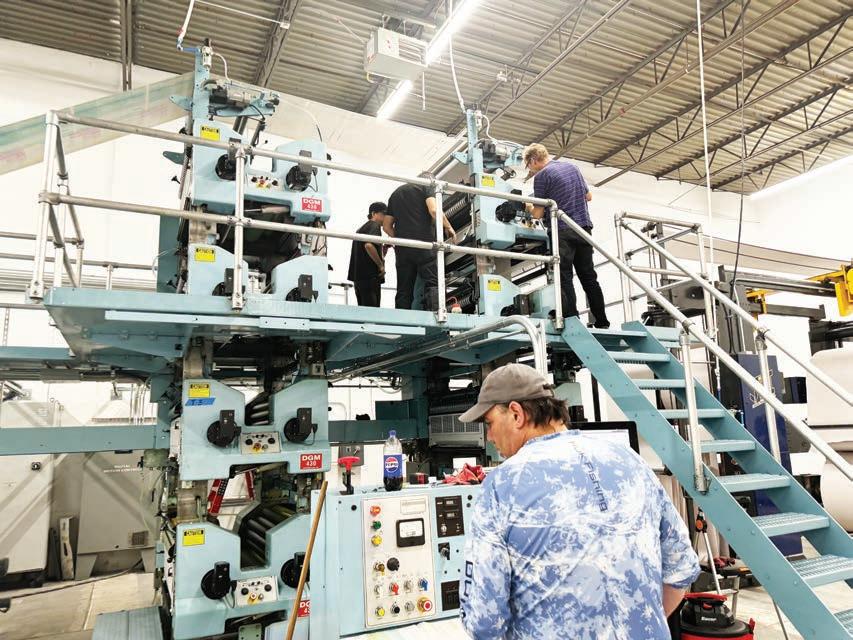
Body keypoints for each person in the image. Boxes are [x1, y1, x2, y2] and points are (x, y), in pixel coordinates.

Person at [458, 363, 699, 640]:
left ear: (516, 414)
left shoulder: (502, 485)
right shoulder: (630, 460)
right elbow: (680, 570)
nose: (489, 436)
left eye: (489, 423)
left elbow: (484, 621)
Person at [523, 143, 610, 328]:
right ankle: (602, 321)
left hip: (562, 230)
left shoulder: (542, 176)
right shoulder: (572, 167)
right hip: (583, 228)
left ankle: (572, 320)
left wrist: (528, 206)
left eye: (528, 165)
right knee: (588, 276)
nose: (530, 170)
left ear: (533, 160)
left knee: (564, 276)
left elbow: (537, 214)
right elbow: (588, 196)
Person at [383, 175, 455, 309]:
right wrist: (449, 227)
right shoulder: (426, 186)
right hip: (425, 245)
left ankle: (402, 319)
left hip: (403, 249)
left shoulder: (396, 193)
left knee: (404, 289)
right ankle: (436, 315)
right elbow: (434, 210)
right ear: (430, 179)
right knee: (433, 283)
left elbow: (386, 226)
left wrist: (401, 240)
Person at [347, 202, 387, 307]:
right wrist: (380, 265)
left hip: (359, 278)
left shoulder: (361, 229)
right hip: (370, 277)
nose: (385, 218)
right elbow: (369, 246)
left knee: (364, 311)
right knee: (373, 311)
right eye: (383, 214)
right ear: (373, 213)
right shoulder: (374, 225)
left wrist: (383, 249)